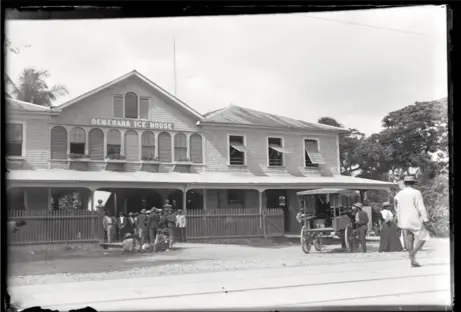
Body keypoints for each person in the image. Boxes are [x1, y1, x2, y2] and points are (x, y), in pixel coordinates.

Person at [394, 175, 430, 267]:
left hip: (403, 220)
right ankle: (413, 254)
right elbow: (420, 207)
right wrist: (425, 219)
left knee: (410, 240)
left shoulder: (399, 194)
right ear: (413, 183)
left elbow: (396, 208)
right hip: (414, 218)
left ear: (405, 183)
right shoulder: (416, 192)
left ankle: (413, 261)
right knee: (424, 236)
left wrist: (399, 220)